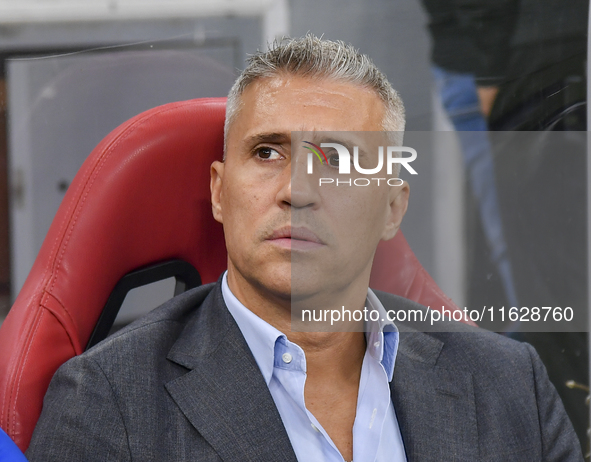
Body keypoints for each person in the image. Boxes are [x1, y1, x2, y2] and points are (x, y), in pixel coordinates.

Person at [25, 35, 582, 461]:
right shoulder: (109, 402)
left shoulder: (510, 384)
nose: (297, 190)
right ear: (219, 193)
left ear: (392, 208)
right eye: (267, 153)